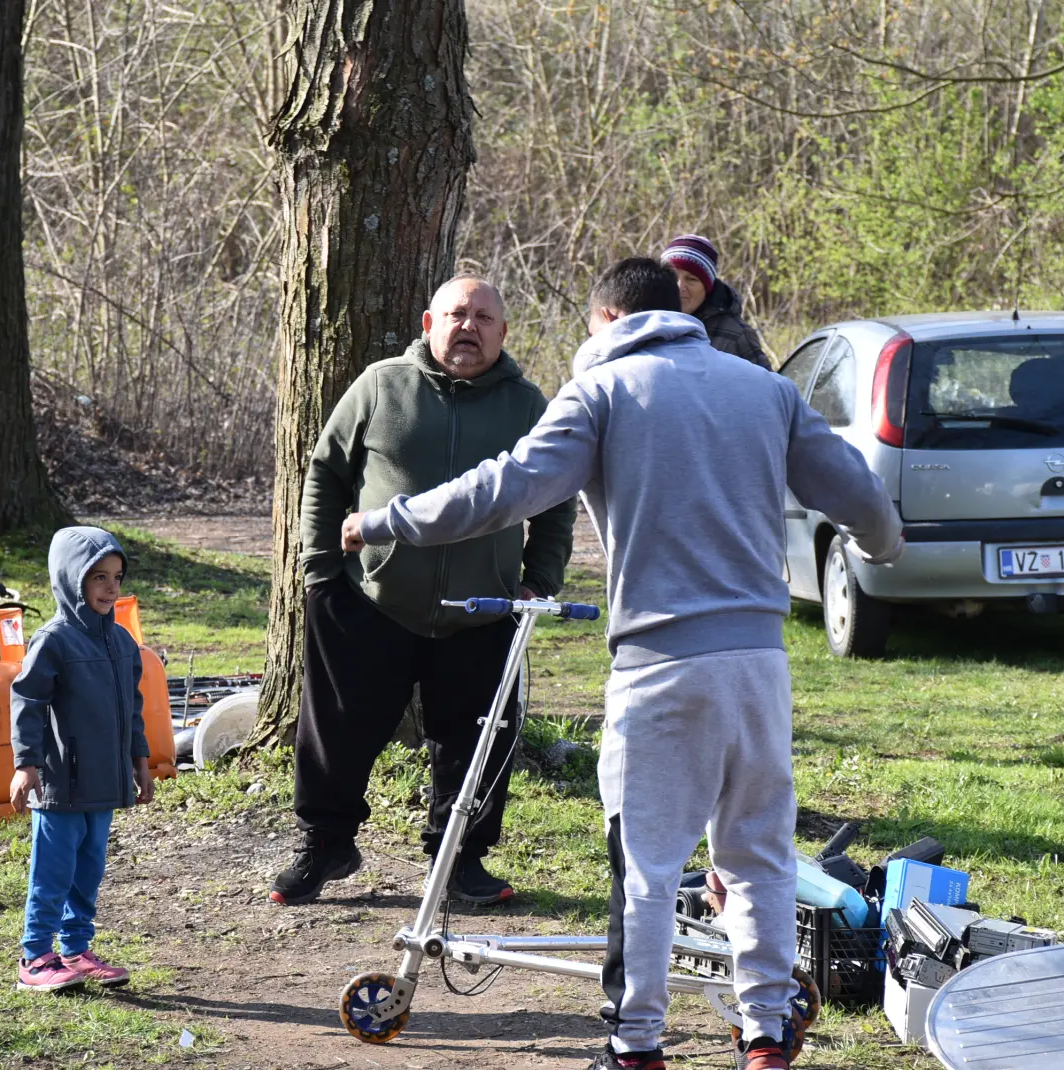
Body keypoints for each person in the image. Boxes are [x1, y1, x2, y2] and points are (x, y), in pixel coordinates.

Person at [341, 258, 902, 1070]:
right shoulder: (766, 390)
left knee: (647, 865)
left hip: (658, 665)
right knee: (757, 857)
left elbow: (505, 489)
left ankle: (636, 1044)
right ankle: (766, 1033)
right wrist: (885, 541)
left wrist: (386, 520)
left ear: (607, 319)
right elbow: (854, 491)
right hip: (757, 663)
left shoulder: (602, 392)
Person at [270, 274, 576, 908]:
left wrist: (538, 582)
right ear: (429, 323)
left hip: (482, 610)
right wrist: (320, 571)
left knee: (478, 738)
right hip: (370, 600)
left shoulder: (527, 406)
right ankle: (326, 844)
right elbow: (326, 472)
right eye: (457, 315)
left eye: (484, 319)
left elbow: (556, 500)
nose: (469, 328)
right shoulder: (382, 385)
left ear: (503, 332)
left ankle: (460, 859)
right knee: (337, 731)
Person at [10, 526, 155, 993]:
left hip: (105, 781)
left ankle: (75, 949)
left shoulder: (122, 643)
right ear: (71, 579)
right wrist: (25, 764)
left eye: (116, 577)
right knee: (53, 872)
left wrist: (139, 760)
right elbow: (27, 703)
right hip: (60, 783)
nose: (111, 588)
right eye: (98, 577)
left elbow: (132, 709)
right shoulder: (53, 641)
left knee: (89, 870)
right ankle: (35, 957)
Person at [660, 234, 770, 369]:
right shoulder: (645, 324)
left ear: (707, 289)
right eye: (672, 276)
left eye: (692, 279)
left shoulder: (736, 335)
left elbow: (765, 381)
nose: (679, 286)